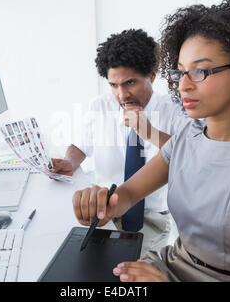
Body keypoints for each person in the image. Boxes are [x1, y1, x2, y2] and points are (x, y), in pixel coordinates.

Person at [72, 0, 230, 282]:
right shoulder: (188, 136)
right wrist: (103, 204)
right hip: (168, 266)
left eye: (200, 71)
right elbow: (128, 195)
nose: (183, 85)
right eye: (180, 72)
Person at [52, 29, 192, 255]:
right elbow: (79, 146)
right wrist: (69, 162)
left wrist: (149, 132)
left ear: (152, 76)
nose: (121, 94)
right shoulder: (101, 106)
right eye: (113, 85)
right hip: (103, 210)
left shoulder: (175, 110)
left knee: (131, 272)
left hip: (152, 220)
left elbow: (191, 159)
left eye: (130, 83)